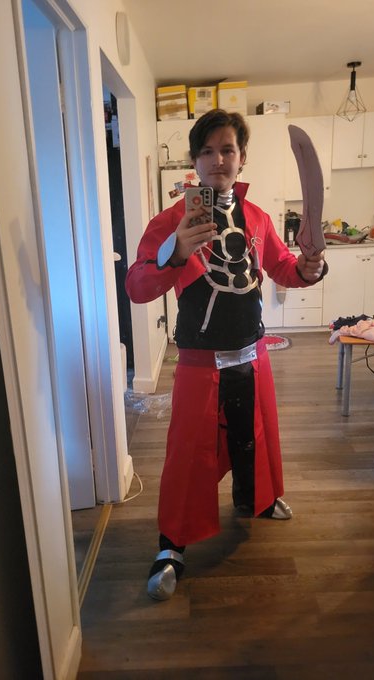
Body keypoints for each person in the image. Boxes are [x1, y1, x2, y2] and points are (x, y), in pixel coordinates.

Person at [125, 109, 327, 600]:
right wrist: (174, 253)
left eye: (228, 149)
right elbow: (136, 286)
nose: (218, 159)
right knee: (187, 454)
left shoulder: (257, 218)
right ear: (194, 161)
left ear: (242, 157)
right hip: (199, 361)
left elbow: (283, 268)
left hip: (252, 353)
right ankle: (172, 543)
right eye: (208, 151)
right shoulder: (171, 221)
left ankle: (256, 500)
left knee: (253, 436)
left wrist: (310, 268)